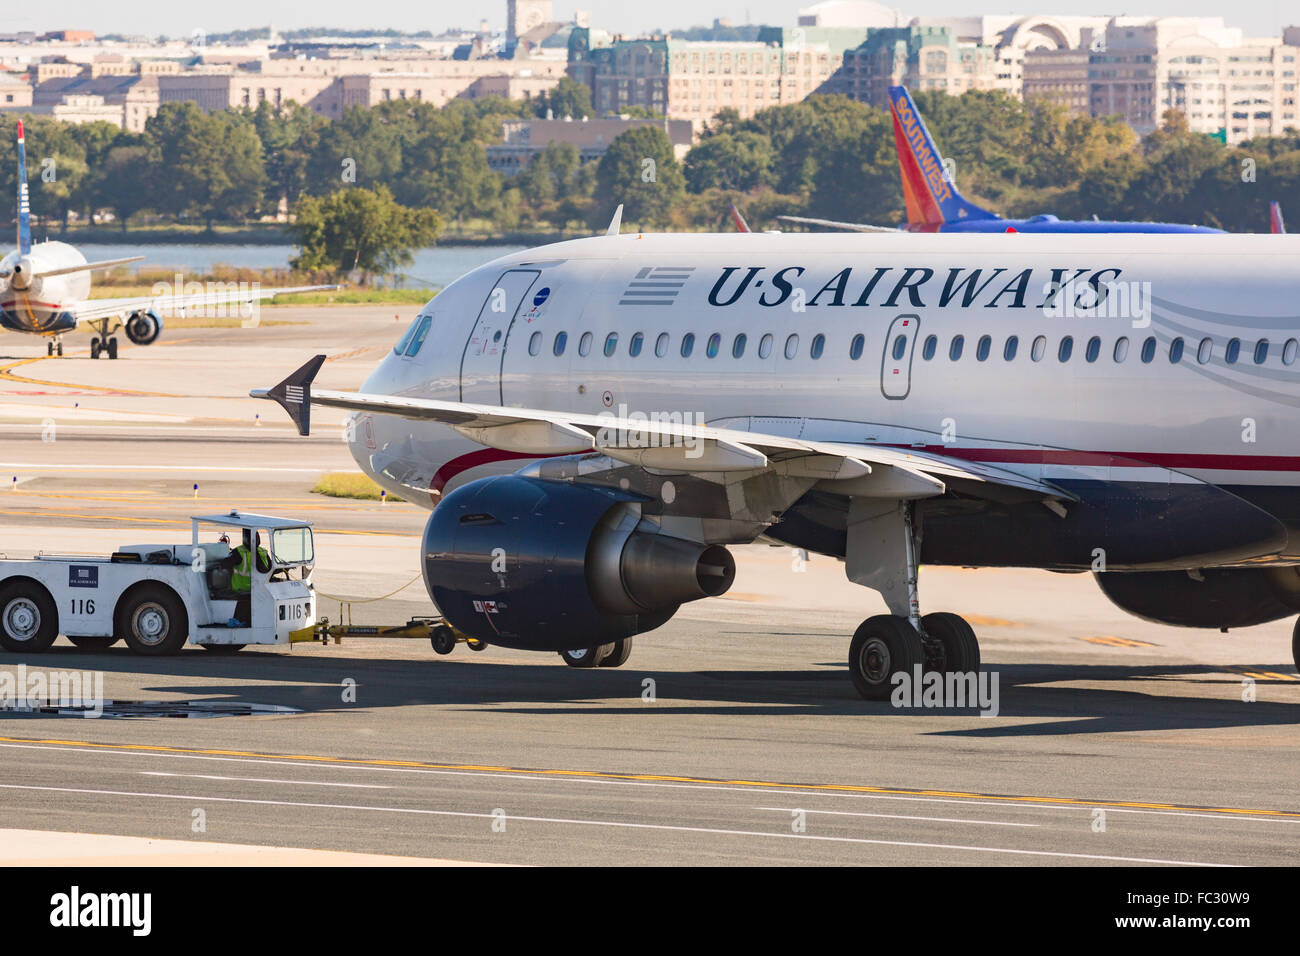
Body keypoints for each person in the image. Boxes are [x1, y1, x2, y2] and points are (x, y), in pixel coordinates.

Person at [221, 530, 271, 626]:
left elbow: (269, 568)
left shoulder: (262, 552)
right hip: (242, 589)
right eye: (253, 537)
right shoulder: (239, 552)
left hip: (259, 587)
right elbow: (224, 563)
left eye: (257, 536)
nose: (256, 539)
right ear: (247, 539)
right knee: (257, 597)